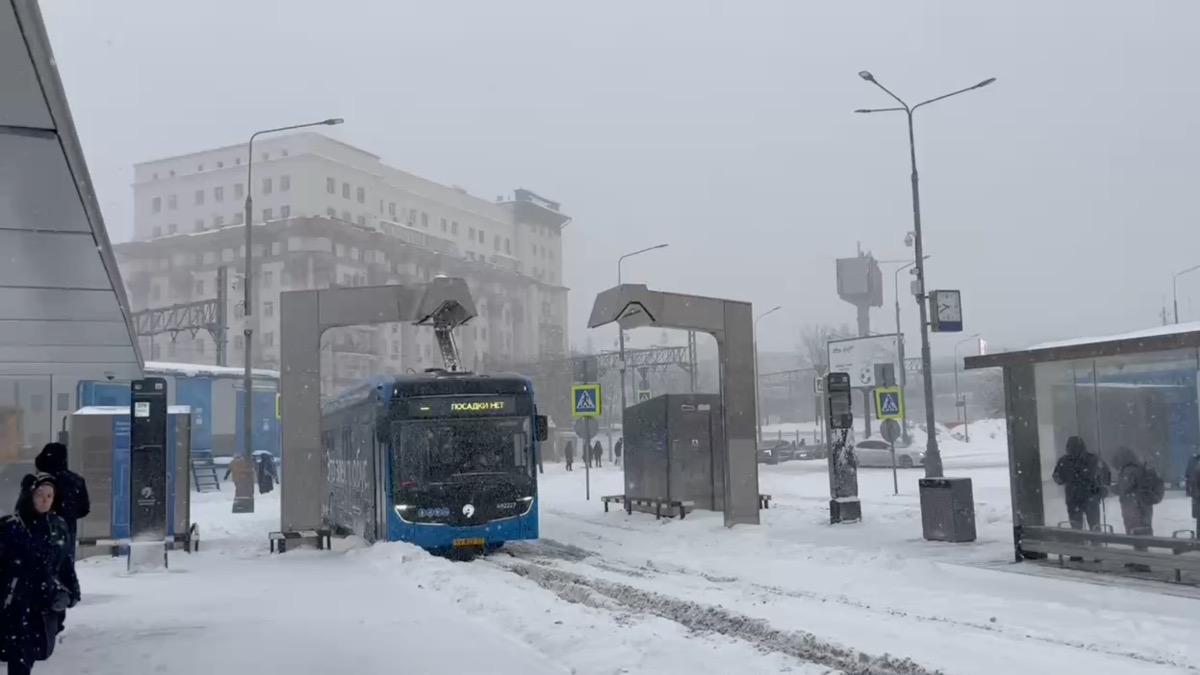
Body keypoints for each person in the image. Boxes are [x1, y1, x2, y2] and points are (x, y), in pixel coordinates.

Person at [0, 474, 80, 674]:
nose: (45, 500)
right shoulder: (10, 527)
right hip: (13, 605)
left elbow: (65, 564)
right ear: (29, 496)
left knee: (27, 655)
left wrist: (70, 593)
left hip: (42, 605)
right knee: (18, 655)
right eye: (40, 495)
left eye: (50, 496)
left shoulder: (58, 527)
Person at [1112, 446, 1163, 569]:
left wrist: (1109, 488)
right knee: (1140, 532)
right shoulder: (1139, 468)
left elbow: (1124, 487)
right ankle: (1138, 559)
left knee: (1137, 532)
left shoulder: (1130, 471)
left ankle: (1142, 563)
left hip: (1135, 507)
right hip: (1142, 506)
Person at [33, 443, 89, 555]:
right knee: (64, 559)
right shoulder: (76, 481)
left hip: (40, 530)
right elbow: (83, 509)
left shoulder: (40, 482)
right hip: (68, 531)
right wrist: (68, 514)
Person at [1051, 436, 1109, 533]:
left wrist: (1069, 479)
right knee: (1095, 527)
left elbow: (1057, 478)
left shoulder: (1064, 461)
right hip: (1091, 496)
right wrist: (1101, 484)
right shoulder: (1093, 458)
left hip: (1073, 497)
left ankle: (1079, 541)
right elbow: (1105, 473)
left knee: (1076, 529)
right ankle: (1096, 541)